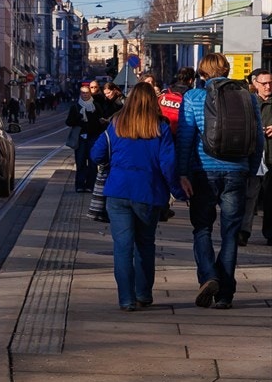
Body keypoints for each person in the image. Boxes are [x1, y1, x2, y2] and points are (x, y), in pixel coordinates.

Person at [175, 52, 259, 309]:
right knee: (230, 233)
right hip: (237, 171)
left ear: (202, 74)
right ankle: (225, 295)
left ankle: (209, 276)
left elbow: (185, 139)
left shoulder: (193, 97)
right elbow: (258, 140)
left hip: (203, 172)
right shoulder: (248, 96)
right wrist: (250, 170)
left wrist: (182, 174)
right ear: (227, 70)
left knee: (202, 229)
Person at [89, 82, 176, 311]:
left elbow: (96, 154)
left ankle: (126, 300)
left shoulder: (116, 125)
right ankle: (144, 294)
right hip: (148, 193)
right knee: (145, 245)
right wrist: (177, 191)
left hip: (117, 192)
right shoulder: (160, 127)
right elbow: (168, 164)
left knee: (122, 247)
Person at [247, 68, 272, 247]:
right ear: (255, 84)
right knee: (249, 196)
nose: (268, 86)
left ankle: (270, 233)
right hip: (253, 156)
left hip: (271, 156)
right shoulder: (248, 102)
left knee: (271, 197)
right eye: (264, 83)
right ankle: (243, 231)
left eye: (270, 83)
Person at [66, 83, 104, 192]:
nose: (85, 95)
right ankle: (79, 185)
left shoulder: (96, 106)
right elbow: (69, 122)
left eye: (87, 93)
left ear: (90, 94)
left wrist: (98, 122)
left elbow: (101, 121)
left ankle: (90, 186)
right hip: (81, 138)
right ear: (80, 94)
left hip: (93, 137)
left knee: (93, 162)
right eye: (83, 93)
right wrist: (78, 118)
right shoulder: (75, 107)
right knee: (80, 161)